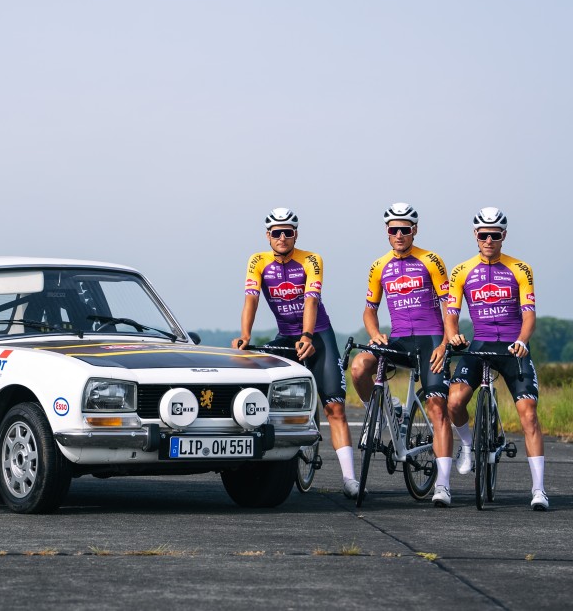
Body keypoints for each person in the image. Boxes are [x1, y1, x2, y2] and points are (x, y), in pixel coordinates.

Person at [234, 208, 357, 497]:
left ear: (295, 235)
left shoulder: (311, 260)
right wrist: (245, 335)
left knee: (334, 407)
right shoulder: (258, 262)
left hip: (317, 333)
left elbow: (311, 301)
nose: (282, 237)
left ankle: (350, 479)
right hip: (285, 336)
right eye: (276, 232)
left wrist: (307, 335)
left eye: (287, 232)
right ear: (268, 236)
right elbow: (250, 300)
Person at [350, 203, 454, 506]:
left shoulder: (431, 260)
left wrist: (444, 344)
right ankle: (383, 413)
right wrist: (374, 334)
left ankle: (443, 485)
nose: (398, 234)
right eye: (393, 229)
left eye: (404, 229)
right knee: (359, 368)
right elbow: (370, 309)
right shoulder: (379, 265)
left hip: (430, 338)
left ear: (414, 231)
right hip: (398, 339)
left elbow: (450, 306)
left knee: (437, 407)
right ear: (387, 231)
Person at [444, 207, 547, 510]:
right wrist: (453, 335)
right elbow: (451, 313)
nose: (489, 240)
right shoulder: (461, 270)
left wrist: (522, 341)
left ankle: (539, 489)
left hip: (512, 346)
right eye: (483, 235)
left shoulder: (520, 268)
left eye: (495, 235)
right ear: (475, 236)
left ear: (503, 236)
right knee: (453, 401)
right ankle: (467, 445)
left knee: (528, 414)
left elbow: (529, 315)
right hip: (479, 343)